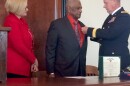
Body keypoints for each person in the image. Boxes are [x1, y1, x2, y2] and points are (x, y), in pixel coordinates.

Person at [82, 0, 130, 70]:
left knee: (115, 81)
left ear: (114, 1)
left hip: (116, 60)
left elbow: (110, 33)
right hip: (109, 59)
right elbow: (108, 37)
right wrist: (93, 36)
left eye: (105, 3)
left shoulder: (124, 16)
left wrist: (89, 30)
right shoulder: (112, 16)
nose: (104, 6)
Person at [45, 0, 87, 77]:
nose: (81, 11)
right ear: (69, 9)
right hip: (62, 73)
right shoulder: (57, 25)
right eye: (78, 8)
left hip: (80, 72)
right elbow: (50, 49)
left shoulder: (83, 26)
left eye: (81, 8)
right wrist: (51, 72)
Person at [3, 0, 38, 78]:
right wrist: (33, 59)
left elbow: (28, 45)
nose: (27, 9)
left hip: (23, 66)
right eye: (25, 7)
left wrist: (32, 62)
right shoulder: (11, 21)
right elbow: (19, 45)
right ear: (17, 8)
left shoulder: (21, 21)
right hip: (15, 68)